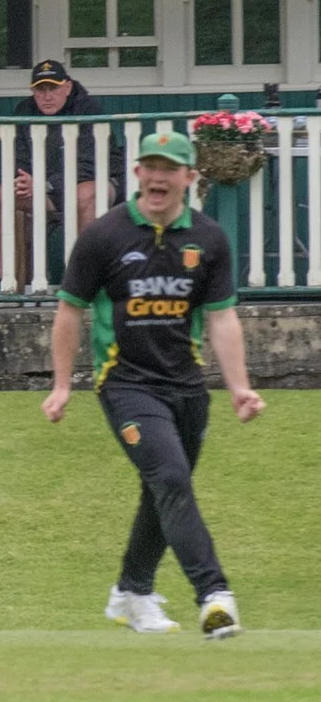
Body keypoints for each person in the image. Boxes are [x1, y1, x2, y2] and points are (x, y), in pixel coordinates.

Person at [47, 132, 260, 639]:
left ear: (190, 177)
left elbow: (222, 318)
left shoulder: (209, 238)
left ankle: (132, 592)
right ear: (138, 173)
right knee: (170, 480)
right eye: (151, 166)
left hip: (187, 389)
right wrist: (61, 386)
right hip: (124, 384)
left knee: (162, 488)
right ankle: (214, 595)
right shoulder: (104, 235)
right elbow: (69, 310)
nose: (159, 177)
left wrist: (238, 387)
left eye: (172, 168)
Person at [0, 59, 122, 292]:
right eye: (40, 90)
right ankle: (5, 283)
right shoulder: (24, 111)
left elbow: (89, 164)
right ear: (32, 91)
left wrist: (45, 185)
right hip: (47, 190)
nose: (46, 96)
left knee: (85, 193)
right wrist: (24, 181)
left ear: (67, 87)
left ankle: (82, 284)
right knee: (3, 195)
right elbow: (19, 160)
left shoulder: (88, 109)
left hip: (98, 183)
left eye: (53, 88)